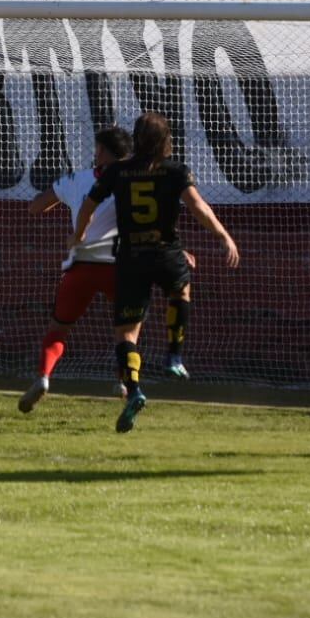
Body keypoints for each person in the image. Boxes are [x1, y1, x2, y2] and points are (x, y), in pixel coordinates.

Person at [72, 112, 240, 433]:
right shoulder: (175, 171)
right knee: (181, 291)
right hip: (166, 252)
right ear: (165, 141)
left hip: (131, 257)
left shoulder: (118, 171)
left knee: (126, 333)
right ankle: (174, 357)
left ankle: (134, 389)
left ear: (137, 140)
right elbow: (198, 207)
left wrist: (78, 235)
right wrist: (223, 236)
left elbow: (89, 205)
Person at [18, 124, 132, 413]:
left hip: (81, 264)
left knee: (58, 330)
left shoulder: (78, 179)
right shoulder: (135, 182)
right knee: (126, 332)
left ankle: (44, 376)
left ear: (102, 151)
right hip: (120, 266)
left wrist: (61, 196)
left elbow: (35, 207)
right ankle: (124, 382)